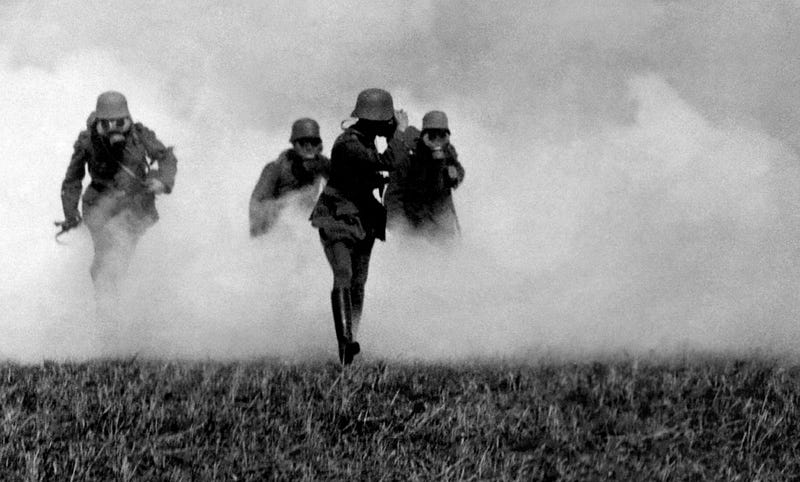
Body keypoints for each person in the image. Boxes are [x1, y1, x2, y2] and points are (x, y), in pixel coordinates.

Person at [309, 88, 410, 364]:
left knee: (358, 283)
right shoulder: (348, 144)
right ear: (375, 120)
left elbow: (397, 164)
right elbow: (387, 162)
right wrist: (399, 132)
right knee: (343, 273)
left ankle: (352, 341)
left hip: (364, 221)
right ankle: (345, 344)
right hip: (337, 219)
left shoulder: (366, 141)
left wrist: (394, 135)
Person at [58, 91, 177, 291]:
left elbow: (166, 157)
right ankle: (104, 301)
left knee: (124, 252)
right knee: (105, 255)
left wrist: (163, 183)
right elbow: (72, 180)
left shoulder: (140, 136)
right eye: (107, 124)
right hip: (100, 204)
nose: (115, 130)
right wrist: (71, 214)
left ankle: (122, 293)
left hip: (136, 203)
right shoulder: (88, 142)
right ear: (98, 123)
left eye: (120, 123)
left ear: (128, 119)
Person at [384, 110, 465, 239]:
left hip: (443, 226)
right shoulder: (410, 156)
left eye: (442, 135)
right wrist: (401, 230)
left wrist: (456, 175)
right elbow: (393, 197)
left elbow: (458, 170)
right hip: (416, 226)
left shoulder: (448, 152)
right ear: (424, 136)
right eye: (432, 136)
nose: (437, 141)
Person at [249, 118, 330, 237]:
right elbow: (255, 208)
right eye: (303, 143)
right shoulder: (275, 169)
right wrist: (292, 202)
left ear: (320, 145)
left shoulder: (324, 165)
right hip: (278, 234)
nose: (308, 148)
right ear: (294, 145)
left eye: (314, 142)